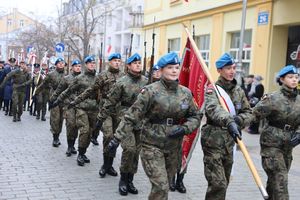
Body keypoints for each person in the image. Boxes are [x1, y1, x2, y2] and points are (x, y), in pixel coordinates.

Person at [107, 52, 201, 199]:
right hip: (152, 145)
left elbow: (195, 116)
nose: (174, 70)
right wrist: (116, 138)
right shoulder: (150, 91)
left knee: (165, 186)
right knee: (161, 186)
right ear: (162, 70)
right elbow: (132, 115)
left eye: (176, 67)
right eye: (170, 67)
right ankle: (126, 179)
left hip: (173, 147)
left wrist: (185, 128)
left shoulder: (186, 93)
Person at [201, 53, 252, 200]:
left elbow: (248, 112)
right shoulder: (212, 89)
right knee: (218, 183)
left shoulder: (239, 91)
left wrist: (238, 120)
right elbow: (213, 109)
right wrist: (229, 121)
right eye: (228, 68)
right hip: (213, 141)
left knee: (225, 182)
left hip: (230, 142)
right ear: (219, 70)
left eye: (234, 68)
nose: (232, 71)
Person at [97, 53, 147, 195]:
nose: (138, 64)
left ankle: (130, 179)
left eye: (139, 62)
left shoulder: (145, 81)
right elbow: (110, 101)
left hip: (140, 120)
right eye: (135, 62)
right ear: (129, 66)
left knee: (136, 151)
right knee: (129, 149)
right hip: (124, 118)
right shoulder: (122, 82)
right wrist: (100, 119)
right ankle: (123, 179)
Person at [69, 53, 124, 176]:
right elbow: (91, 90)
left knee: (115, 138)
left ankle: (110, 165)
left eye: (119, 61)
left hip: (118, 111)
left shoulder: (123, 76)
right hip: (105, 110)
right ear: (109, 62)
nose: (117, 63)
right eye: (115, 60)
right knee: (108, 135)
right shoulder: (102, 76)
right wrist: (76, 101)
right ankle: (104, 164)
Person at [252, 65, 300, 200]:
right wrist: (236, 123)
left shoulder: (299, 100)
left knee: (274, 183)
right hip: (271, 144)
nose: (294, 80)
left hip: (288, 146)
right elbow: (254, 114)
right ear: (282, 79)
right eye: (290, 77)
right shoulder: (272, 98)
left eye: (296, 77)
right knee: (281, 180)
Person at [53, 56, 98, 166]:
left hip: (92, 108)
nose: (92, 64)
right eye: (76, 66)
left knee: (89, 132)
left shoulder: (97, 78)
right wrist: (55, 100)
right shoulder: (72, 78)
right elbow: (64, 91)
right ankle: (71, 147)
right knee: (72, 126)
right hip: (74, 106)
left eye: (94, 63)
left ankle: (83, 151)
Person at [50, 59, 81, 156]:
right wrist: (52, 100)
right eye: (76, 66)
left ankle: (72, 145)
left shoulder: (83, 78)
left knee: (76, 126)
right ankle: (68, 146)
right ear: (72, 67)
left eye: (79, 66)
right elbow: (59, 90)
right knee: (70, 124)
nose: (78, 68)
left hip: (80, 105)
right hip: (68, 105)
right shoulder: (67, 78)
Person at [35, 57, 65, 147]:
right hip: (54, 98)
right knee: (55, 118)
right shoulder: (51, 74)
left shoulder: (67, 75)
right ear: (56, 65)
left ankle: (58, 135)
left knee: (61, 120)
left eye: (62, 63)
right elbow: (43, 84)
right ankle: (55, 138)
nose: (61, 64)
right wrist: (36, 92)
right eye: (59, 63)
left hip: (63, 99)